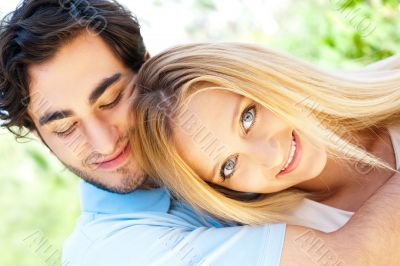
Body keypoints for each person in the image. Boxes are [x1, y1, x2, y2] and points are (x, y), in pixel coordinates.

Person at [0, 1, 399, 265]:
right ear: (41, 138)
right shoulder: (114, 251)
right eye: (66, 127)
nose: (105, 142)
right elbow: (353, 257)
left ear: (148, 67)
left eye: (112, 98)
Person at [130, 42, 400, 228]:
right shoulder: (309, 241)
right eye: (229, 165)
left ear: (262, 75)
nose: (270, 157)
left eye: (247, 118)